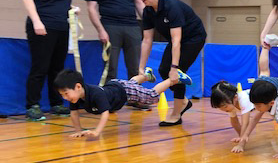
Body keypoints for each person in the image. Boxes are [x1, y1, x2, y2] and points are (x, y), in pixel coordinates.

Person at [135, 0, 206, 126]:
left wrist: (174, 68)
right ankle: (184, 102)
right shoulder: (148, 11)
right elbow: (147, 40)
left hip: (193, 37)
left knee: (177, 72)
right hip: (178, 40)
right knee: (162, 70)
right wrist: (141, 67)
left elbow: (176, 40)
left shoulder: (171, 6)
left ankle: (176, 114)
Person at [54, 67, 192, 139]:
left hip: (123, 91)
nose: (65, 98)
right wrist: (78, 131)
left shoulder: (96, 94)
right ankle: (146, 76)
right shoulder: (76, 97)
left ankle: (174, 79)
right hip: (115, 85)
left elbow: (105, 114)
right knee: (131, 83)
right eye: (62, 95)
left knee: (150, 97)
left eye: (66, 93)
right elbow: (73, 114)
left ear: (78, 87)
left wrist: (97, 131)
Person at [21, 0, 75, 121]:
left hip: (61, 27)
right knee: (40, 67)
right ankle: (33, 105)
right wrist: (37, 22)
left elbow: (58, 1)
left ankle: (56, 103)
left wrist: (72, 8)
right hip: (43, 27)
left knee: (57, 69)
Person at [209, 47, 278, 153]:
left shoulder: (243, 99)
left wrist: (241, 144)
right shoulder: (231, 102)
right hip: (260, 84)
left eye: (225, 106)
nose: (224, 109)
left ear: (235, 98)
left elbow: (246, 123)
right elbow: (235, 122)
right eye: (221, 108)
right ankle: (266, 46)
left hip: (273, 87)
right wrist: (241, 137)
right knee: (264, 72)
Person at [85, 0, 145, 84]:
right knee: (110, 68)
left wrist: (148, 23)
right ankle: (109, 98)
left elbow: (138, 3)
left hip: (132, 27)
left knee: (135, 67)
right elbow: (91, 8)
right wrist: (100, 30)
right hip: (110, 27)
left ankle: (135, 98)